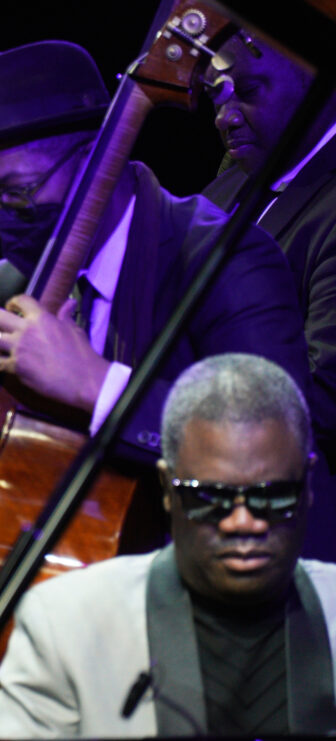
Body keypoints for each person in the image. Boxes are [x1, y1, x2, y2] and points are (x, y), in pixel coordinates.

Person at [0, 41, 309, 680]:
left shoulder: (222, 260)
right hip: (57, 631)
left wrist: (98, 387)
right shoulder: (12, 285)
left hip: (209, 639)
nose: (6, 223)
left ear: (99, 158)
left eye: (18, 193)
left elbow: (274, 452)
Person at [0, 352, 336, 738]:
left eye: (271, 496)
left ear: (307, 485)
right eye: (210, 498)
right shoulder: (66, 625)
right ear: (168, 489)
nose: (243, 522)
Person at [201, 28, 336, 562]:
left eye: (248, 89)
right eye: (217, 94)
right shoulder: (226, 188)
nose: (225, 115)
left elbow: (322, 404)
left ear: (317, 84)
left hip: (292, 538)